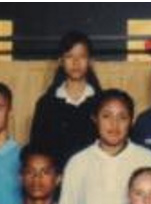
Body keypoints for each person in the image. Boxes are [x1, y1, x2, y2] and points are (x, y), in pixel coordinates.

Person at [59, 89, 151, 204]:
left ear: (131, 121)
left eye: (122, 117)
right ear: (95, 119)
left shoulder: (147, 159)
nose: (114, 124)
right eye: (107, 116)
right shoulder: (78, 163)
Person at [30, 31, 102, 169]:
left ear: (91, 61)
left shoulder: (101, 103)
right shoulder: (46, 104)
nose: (75, 62)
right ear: (61, 61)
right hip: (58, 181)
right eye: (69, 56)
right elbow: (37, 149)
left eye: (81, 56)